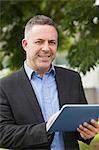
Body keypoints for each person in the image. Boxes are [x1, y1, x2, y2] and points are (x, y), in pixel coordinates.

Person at [0, 15, 99, 150]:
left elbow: (79, 127)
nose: (46, 48)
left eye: (52, 42)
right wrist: (45, 128)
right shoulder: (5, 86)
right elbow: (3, 134)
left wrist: (87, 133)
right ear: (25, 44)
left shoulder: (72, 78)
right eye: (39, 42)